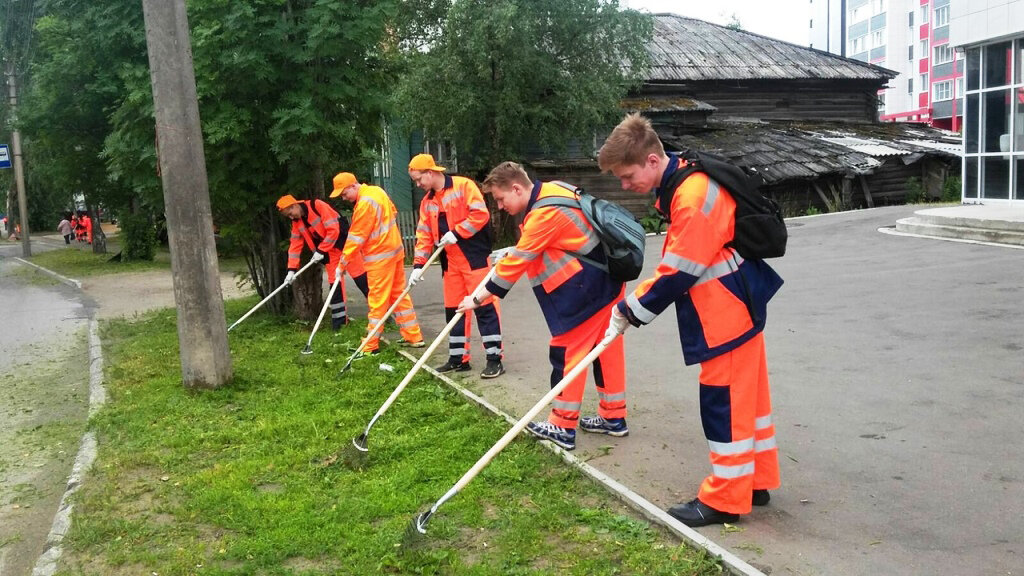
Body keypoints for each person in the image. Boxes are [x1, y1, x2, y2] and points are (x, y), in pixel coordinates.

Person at [597, 113, 783, 527]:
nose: (625, 186)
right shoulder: (685, 178)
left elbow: (679, 270)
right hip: (736, 304)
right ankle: (754, 480)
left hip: (726, 313)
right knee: (749, 403)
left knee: (725, 405)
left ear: (650, 160)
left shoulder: (692, 194)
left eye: (627, 176)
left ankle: (725, 499)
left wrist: (628, 309)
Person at [457, 161, 628, 451]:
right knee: (605, 351)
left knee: (567, 353)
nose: (499, 206)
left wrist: (476, 298)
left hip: (585, 291)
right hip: (604, 283)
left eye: (500, 198)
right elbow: (544, 242)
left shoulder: (543, 214)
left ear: (516, 188)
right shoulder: (555, 190)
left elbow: (519, 261)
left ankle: (562, 425)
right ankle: (613, 417)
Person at [407, 153, 505, 379]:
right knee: (453, 311)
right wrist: (418, 265)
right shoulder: (427, 202)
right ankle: (458, 359)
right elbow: (423, 235)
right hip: (450, 263)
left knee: (484, 306)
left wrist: (457, 233)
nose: (418, 184)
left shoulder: (464, 186)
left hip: (474, 258)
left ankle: (494, 359)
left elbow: (480, 215)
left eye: (419, 179)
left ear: (430, 173)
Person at [330, 172, 425, 354]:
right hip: (395, 251)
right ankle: (413, 336)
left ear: (353, 185)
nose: (343, 198)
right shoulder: (377, 191)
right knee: (399, 295)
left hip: (379, 258)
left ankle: (370, 345)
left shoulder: (364, 203)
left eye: (344, 193)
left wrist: (342, 265)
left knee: (377, 301)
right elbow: (393, 212)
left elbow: (356, 237)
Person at [276, 194, 368, 331]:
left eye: (290, 213)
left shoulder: (317, 205)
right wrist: (291, 270)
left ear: (295, 205)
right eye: (287, 216)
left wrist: (320, 250)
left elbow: (334, 230)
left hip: (346, 248)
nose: (291, 217)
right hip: (330, 254)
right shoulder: (297, 223)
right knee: (335, 288)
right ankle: (340, 324)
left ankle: (382, 314)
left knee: (363, 280)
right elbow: (295, 246)